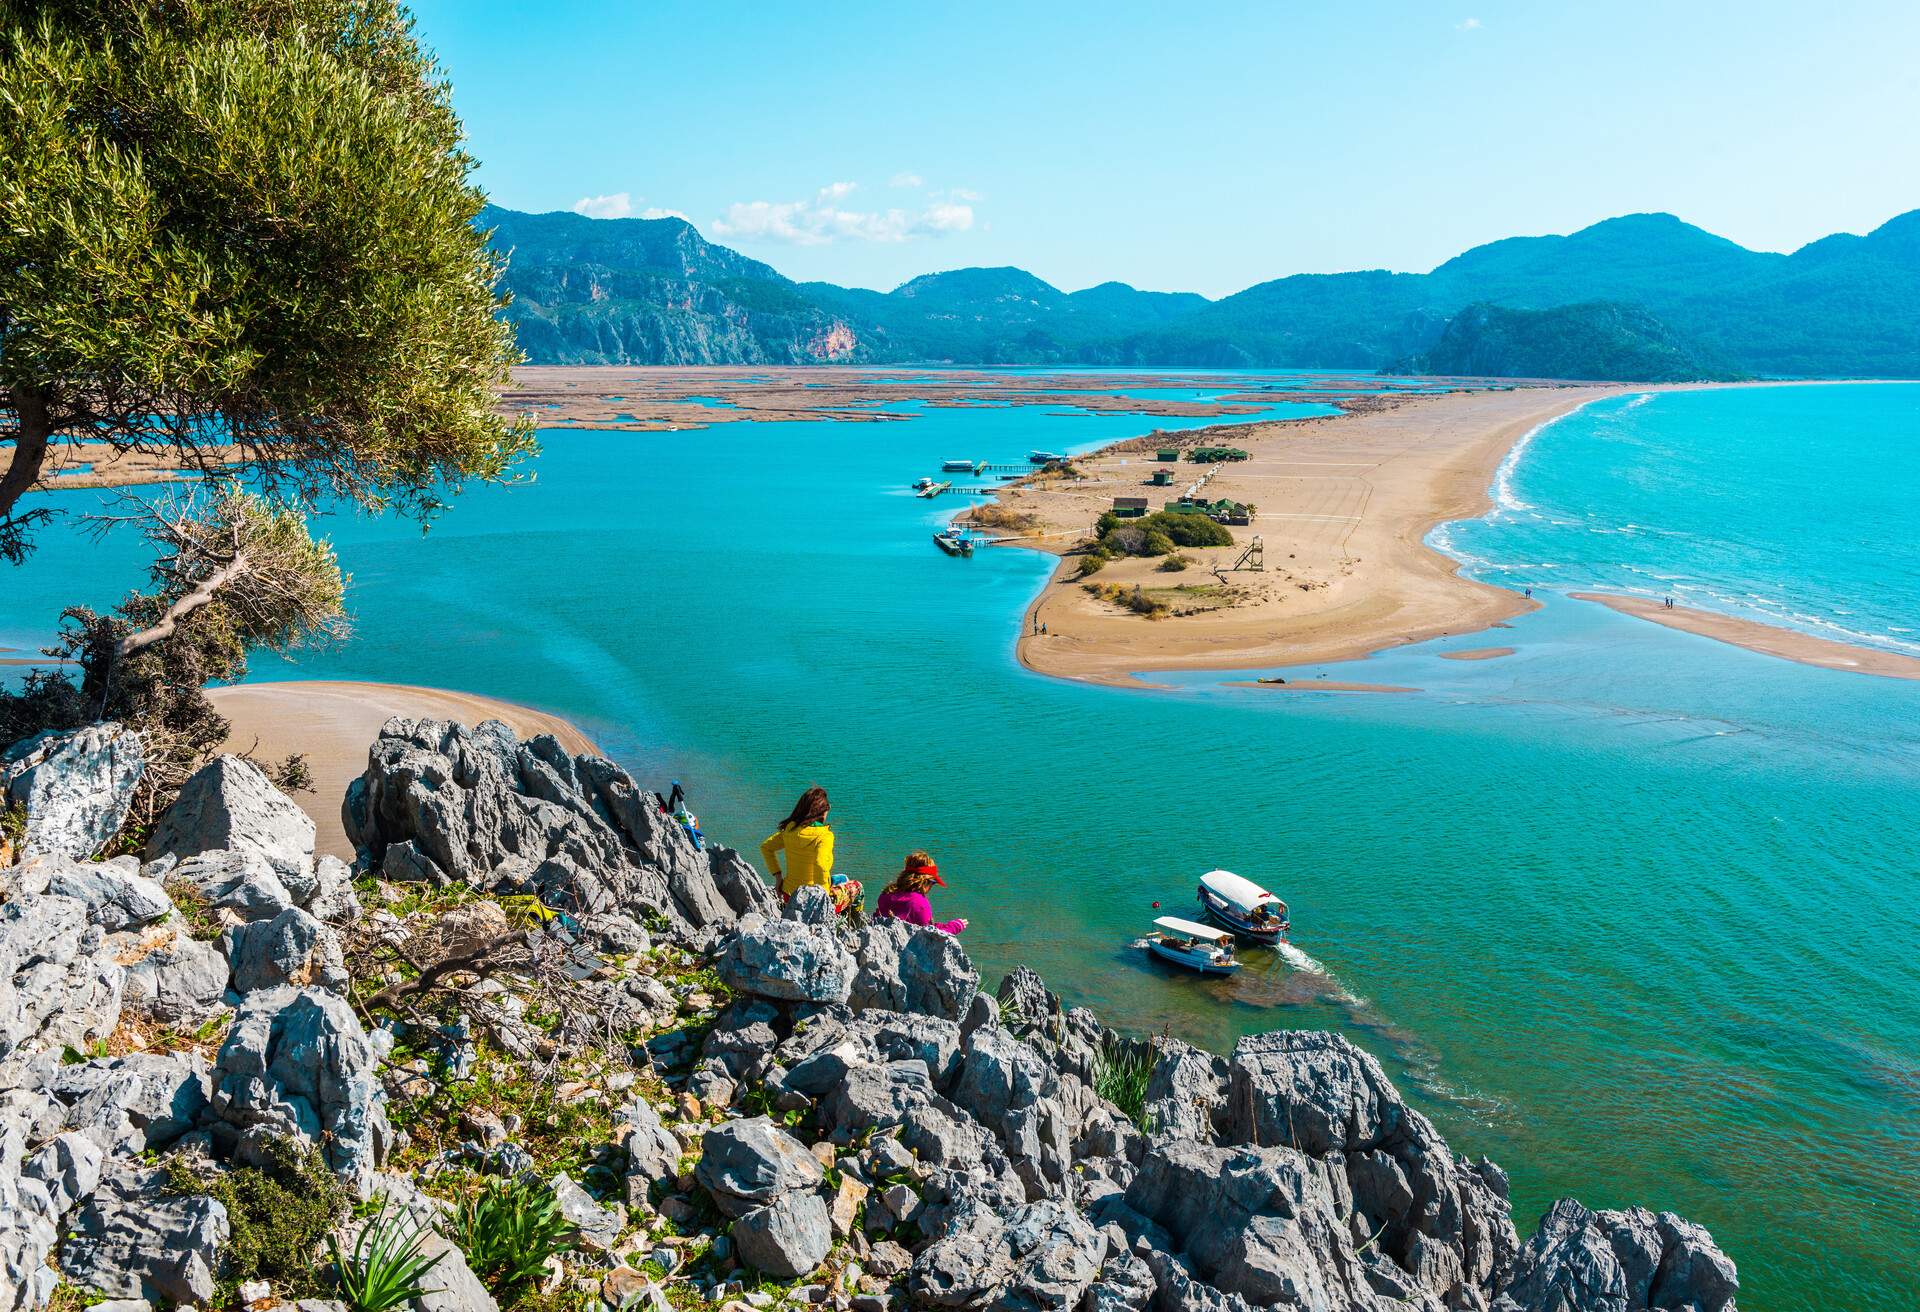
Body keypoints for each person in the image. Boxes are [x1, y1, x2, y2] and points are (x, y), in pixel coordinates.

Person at [760, 786, 860, 914]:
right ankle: (852, 926)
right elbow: (820, 865)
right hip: (812, 903)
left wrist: (778, 877)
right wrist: (823, 897)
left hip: (789, 895)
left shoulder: (790, 830)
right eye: (828, 807)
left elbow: (766, 847)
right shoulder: (824, 836)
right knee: (857, 887)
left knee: (842, 878)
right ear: (823, 812)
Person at [873, 851, 966, 934]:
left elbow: (921, 925)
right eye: (933, 883)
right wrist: (954, 927)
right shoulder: (920, 905)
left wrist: (943, 926)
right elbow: (930, 935)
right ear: (924, 881)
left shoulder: (886, 894)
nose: (931, 887)